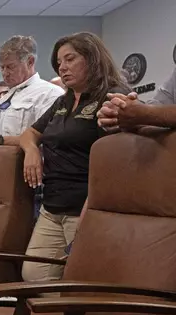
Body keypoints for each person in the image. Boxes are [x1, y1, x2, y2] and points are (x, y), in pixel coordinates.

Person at [19, 31, 129, 283]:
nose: (63, 67)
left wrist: (92, 211)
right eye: (59, 63)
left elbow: (115, 162)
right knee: (34, 274)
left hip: (86, 206)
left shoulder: (112, 95)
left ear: (92, 59)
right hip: (52, 205)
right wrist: (32, 150)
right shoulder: (64, 101)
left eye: (70, 59)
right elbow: (30, 133)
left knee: (84, 279)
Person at [0, 36, 65, 149]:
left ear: (30, 62)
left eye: (10, 67)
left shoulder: (50, 94)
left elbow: (47, 140)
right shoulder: (3, 99)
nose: (5, 73)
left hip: (24, 164)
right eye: (2, 67)